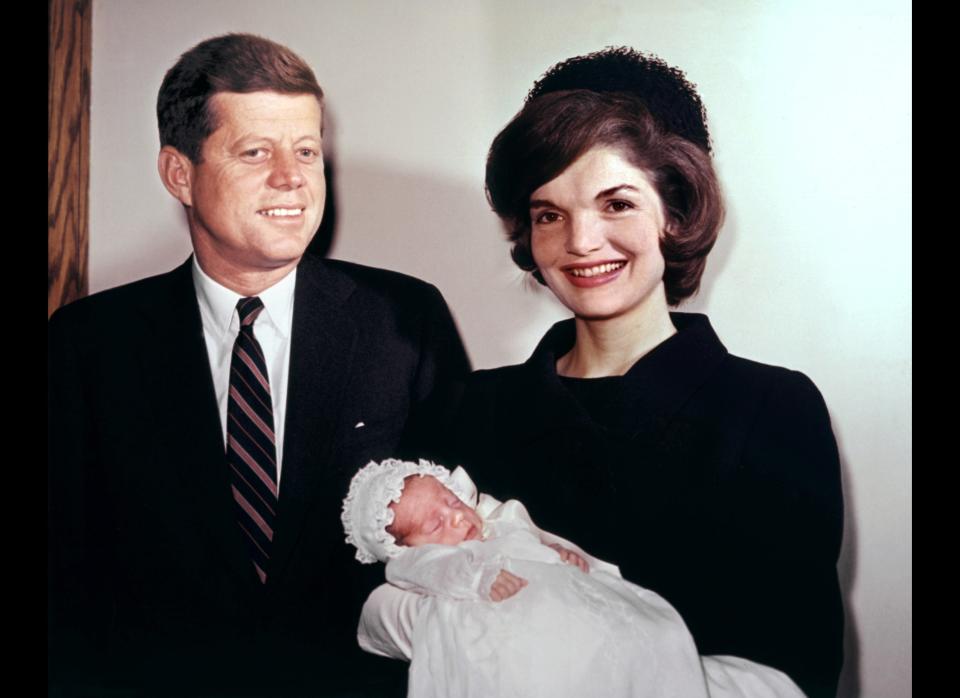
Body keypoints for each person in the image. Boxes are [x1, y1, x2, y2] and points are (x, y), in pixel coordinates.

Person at [360, 48, 844, 698]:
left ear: (674, 213)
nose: (581, 241)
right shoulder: (468, 409)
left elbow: (797, 670)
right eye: (549, 214)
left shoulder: (773, 409)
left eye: (615, 203)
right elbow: (385, 610)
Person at [47, 33, 469, 697]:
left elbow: (461, 553)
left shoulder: (405, 321)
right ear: (179, 173)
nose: (292, 177)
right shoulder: (87, 346)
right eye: (255, 151)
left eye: (306, 150)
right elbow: (63, 590)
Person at [344, 459, 806, 698]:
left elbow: (538, 538)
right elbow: (422, 572)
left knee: (650, 634)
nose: (455, 516)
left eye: (450, 500)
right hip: (515, 626)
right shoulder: (416, 564)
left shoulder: (500, 521)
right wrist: (477, 578)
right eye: (434, 525)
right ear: (404, 547)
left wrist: (559, 549)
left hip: (574, 601)